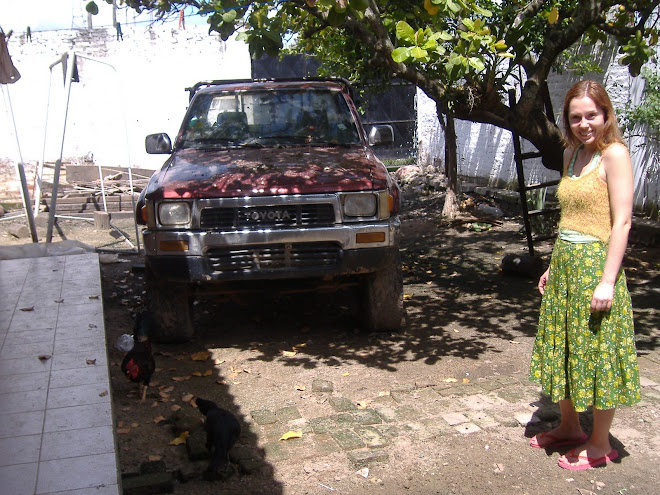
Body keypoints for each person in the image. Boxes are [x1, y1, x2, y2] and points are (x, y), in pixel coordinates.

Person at [528, 80, 641, 470]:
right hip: (566, 268)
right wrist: (552, 264)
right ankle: (571, 426)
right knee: (566, 348)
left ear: (606, 114)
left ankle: (598, 444)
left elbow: (622, 222)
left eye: (591, 115)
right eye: (575, 117)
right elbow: (570, 218)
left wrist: (608, 280)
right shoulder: (572, 153)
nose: (583, 123)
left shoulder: (615, 155)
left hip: (596, 268)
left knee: (599, 352)